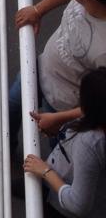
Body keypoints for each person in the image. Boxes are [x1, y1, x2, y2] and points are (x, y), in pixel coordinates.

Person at [10, 0, 106, 153]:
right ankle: (3, 146)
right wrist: (38, 10)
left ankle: (43, 184)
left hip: (65, 106)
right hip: (39, 70)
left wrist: (59, 118)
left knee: (59, 155)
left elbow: (102, 103)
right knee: (12, 104)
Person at [23, 67, 106, 218]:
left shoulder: (89, 144)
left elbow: (78, 205)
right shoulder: (97, 123)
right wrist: (59, 122)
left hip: (61, 209)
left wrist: (45, 171)